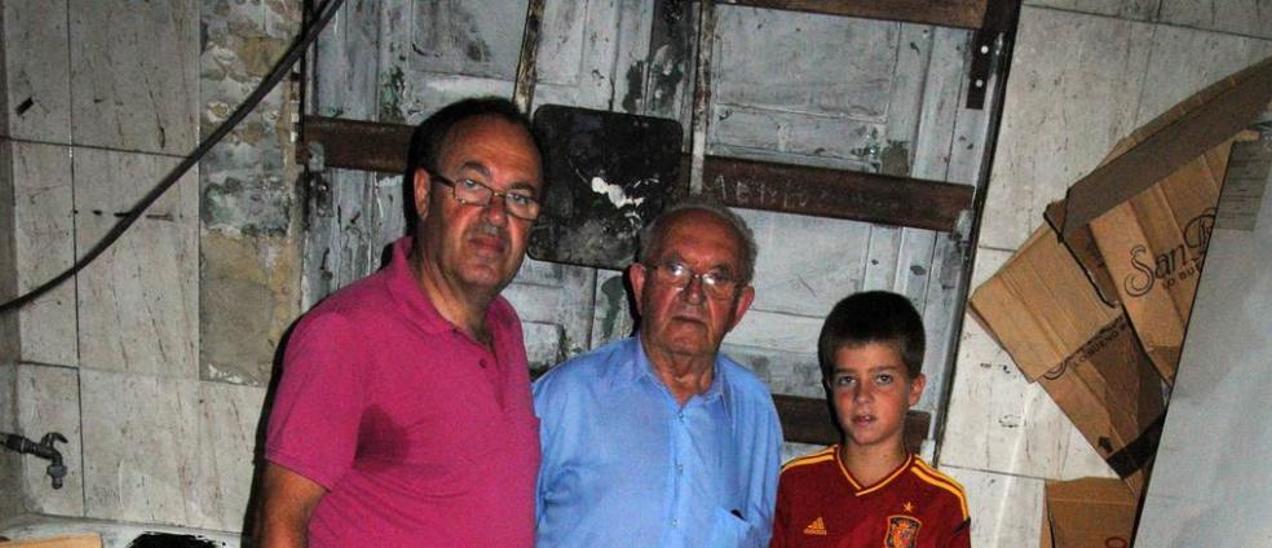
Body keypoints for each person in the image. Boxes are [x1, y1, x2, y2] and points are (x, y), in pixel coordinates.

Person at [257, 97, 545, 547]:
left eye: (519, 198)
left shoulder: (505, 328)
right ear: (424, 193)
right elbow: (280, 525)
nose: (496, 215)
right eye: (472, 185)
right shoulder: (346, 334)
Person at [533, 198, 783, 547]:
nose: (694, 294)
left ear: (740, 307)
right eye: (675, 270)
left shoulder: (754, 411)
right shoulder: (567, 397)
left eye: (717, 278)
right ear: (639, 285)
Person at [770, 291, 970, 547]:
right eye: (848, 380)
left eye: (883, 379)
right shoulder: (797, 483)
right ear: (830, 388)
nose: (862, 396)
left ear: (915, 389)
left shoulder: (941, 501)